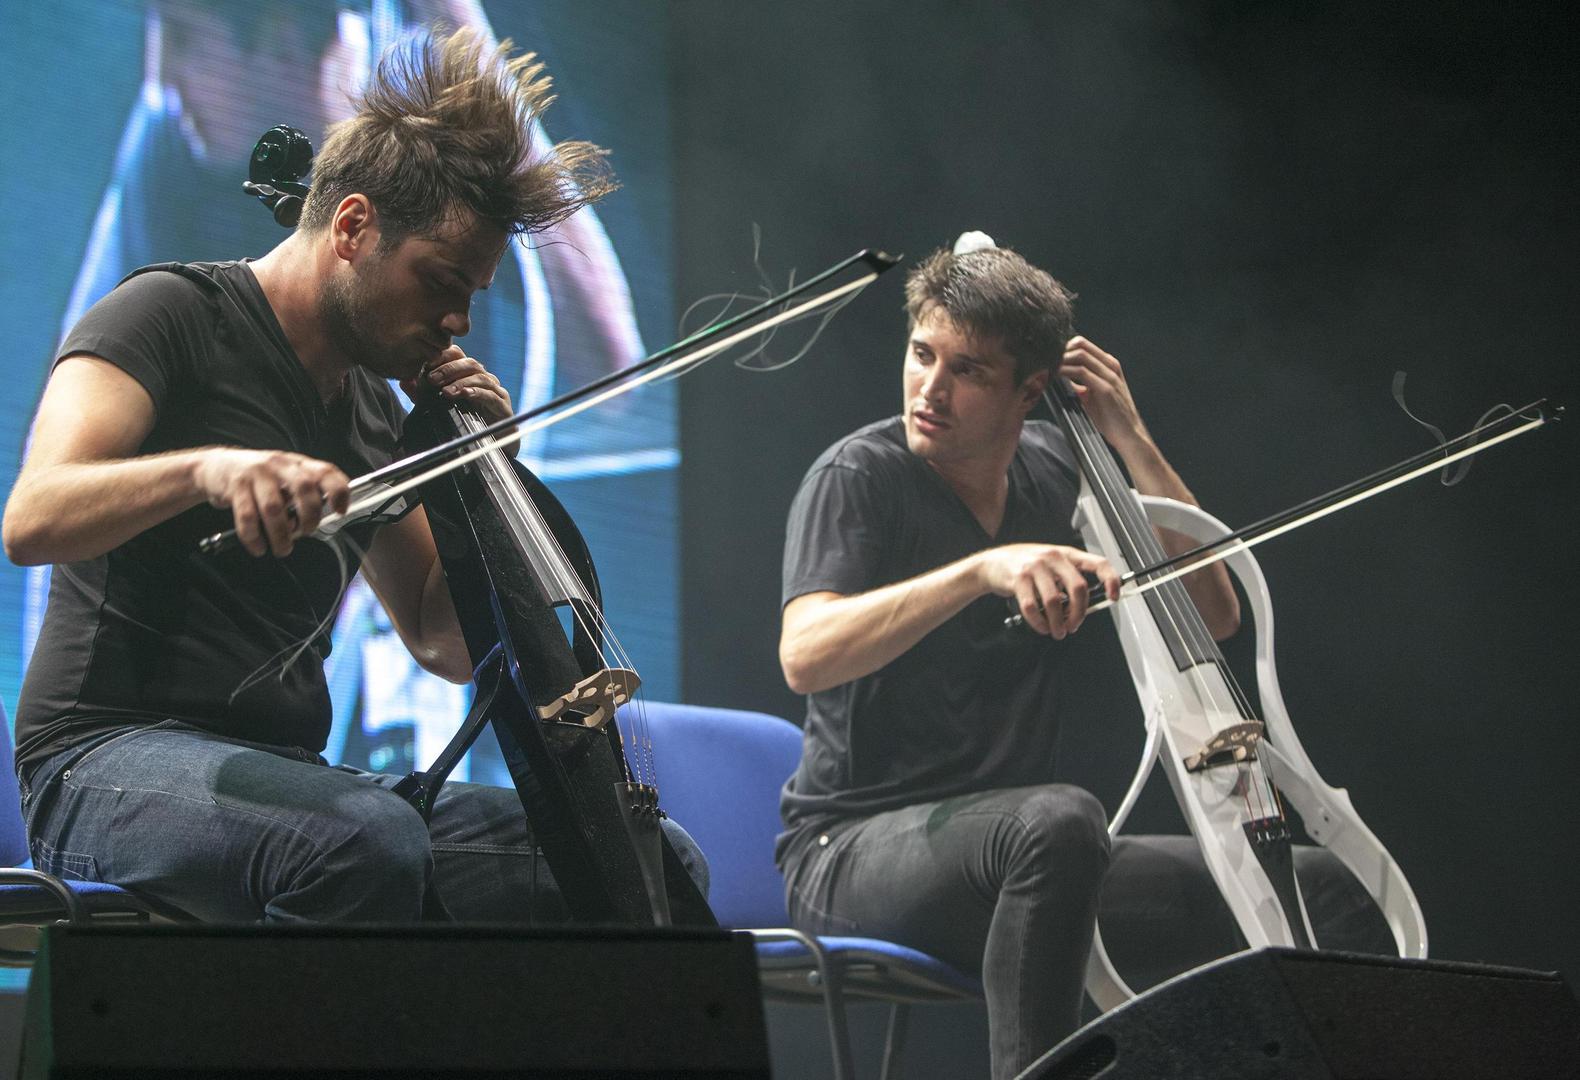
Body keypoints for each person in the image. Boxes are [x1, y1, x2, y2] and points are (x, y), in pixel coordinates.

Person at [2, 28, 702, 925]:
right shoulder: (167, 313)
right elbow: (32, 516)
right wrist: (209, 471)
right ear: (353, 226)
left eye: (471, 295)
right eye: (439, 282)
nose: (456, 320)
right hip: (99, 763)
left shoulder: (370, 409)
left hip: (283, 781)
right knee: (364, 840)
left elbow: (442, 643)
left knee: (644, 859)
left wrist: (480, 479)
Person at [776, 242, 1389, 1077]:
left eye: (968, 371)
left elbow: (1213, 612)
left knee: (1323, 887)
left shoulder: (1055, 467)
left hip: (1023, 854)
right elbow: (805, 655)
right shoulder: (859, 475)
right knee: (1063, 822)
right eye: (922, 354)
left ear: (1030, 393)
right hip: (848, 854)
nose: (931, 389)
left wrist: (1130, 437)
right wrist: (980, 571)